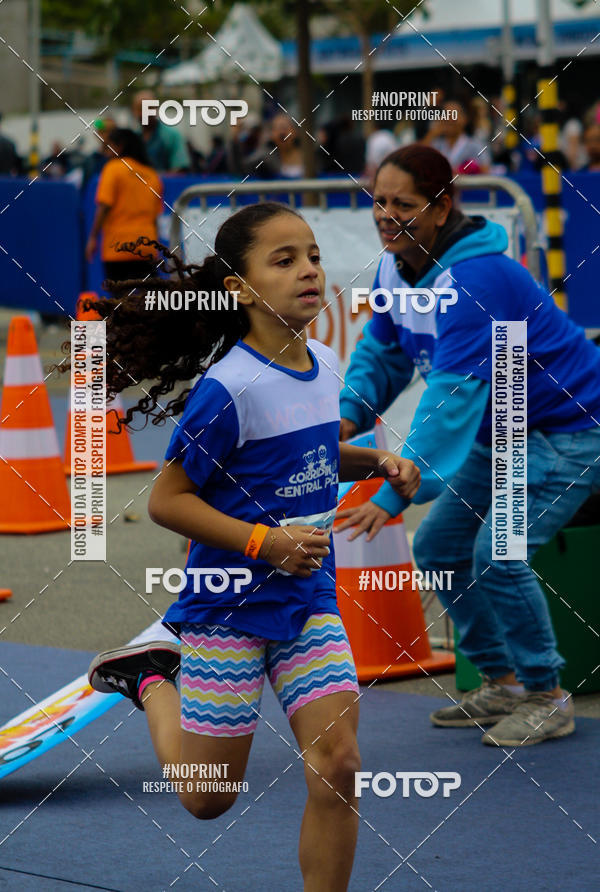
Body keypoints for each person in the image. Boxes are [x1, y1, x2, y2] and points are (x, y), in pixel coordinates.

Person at [84, 202, 420, 890]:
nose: (309, 270)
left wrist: (378, 463)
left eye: (314, 255)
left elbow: (312, 449)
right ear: (239, 287)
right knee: (208, 797)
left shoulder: (326, 361)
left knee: (340, 764)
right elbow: (166, 500)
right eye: (284, 259)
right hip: (225, 609)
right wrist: (264, 542)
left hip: (306, 601)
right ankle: (149, 677)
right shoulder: (228, 387)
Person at [336, 143, 600, 747]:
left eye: (402, 203)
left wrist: (396, 492)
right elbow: (383, 351)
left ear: (440, 208)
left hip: (571, 431)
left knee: (497, 556)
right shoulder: (395, 267)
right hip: (503, 430)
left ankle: (546, 693)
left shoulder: (476, 278)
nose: (385, 214)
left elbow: (452, 398)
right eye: (378, 200)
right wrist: (348, 416)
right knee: (439, 548)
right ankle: (502, 682)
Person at [85, 128, 163, 285]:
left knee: (120, 303)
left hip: (118, 249)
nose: (105, 152)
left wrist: (93, 237)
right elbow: (155, 218)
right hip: (146, 248)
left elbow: (104, 206)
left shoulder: (113, 169)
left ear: (119, 146)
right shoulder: (152, 174)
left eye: (108, 147)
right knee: (146, 303)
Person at [424, 98, 490, 173]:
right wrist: (433, 133)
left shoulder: (475, 145)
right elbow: (417, 160)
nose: (449, 119)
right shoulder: (436, 145)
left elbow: (486, 171)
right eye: (445, 115)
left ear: (464, 119)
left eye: (453, 115)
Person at [132, 89, 190, 173]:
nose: (145, 112)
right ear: (134, 111)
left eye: (149, 108)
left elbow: (180, 168)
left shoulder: (171, 135)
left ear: (156, 109)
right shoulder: (133, 138)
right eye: (140, 108)